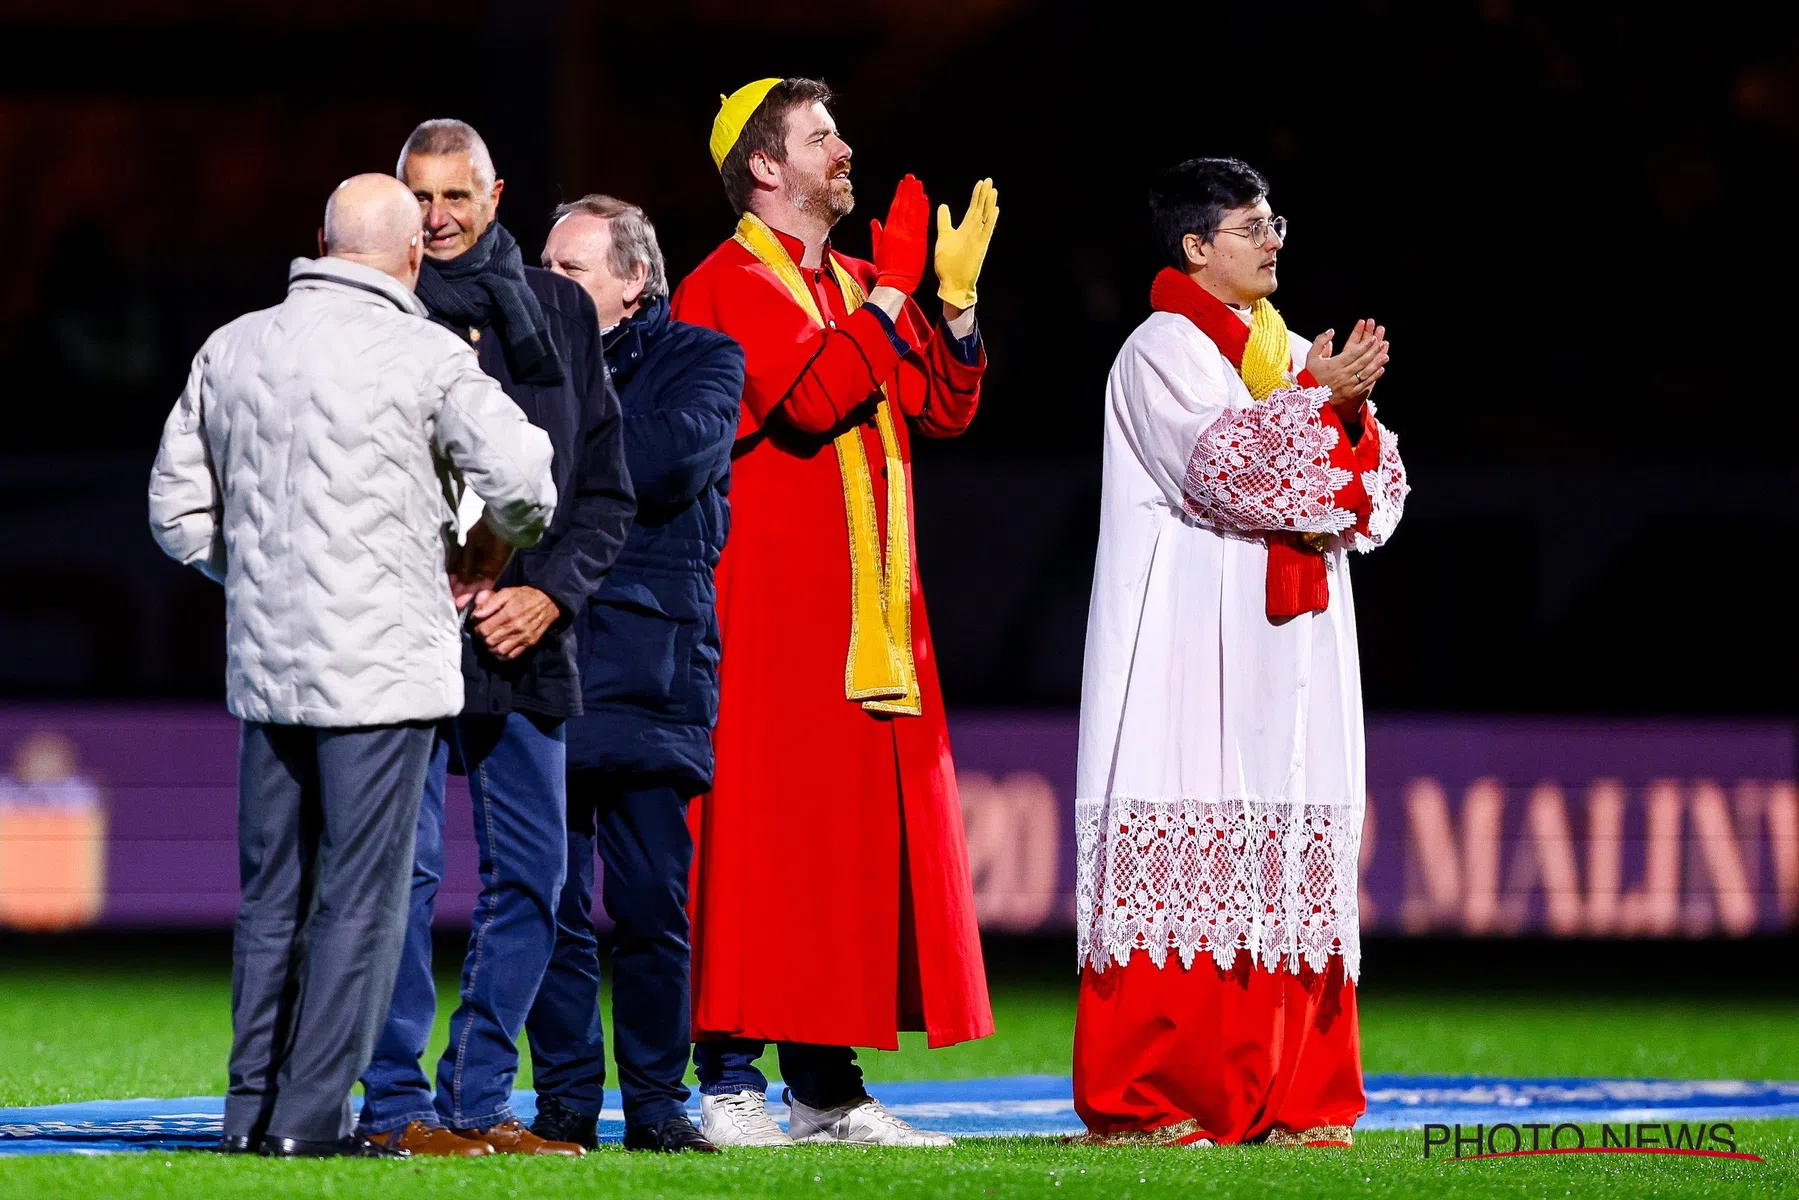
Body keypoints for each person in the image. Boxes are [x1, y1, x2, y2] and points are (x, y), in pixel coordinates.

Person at [148, 174, 557, 1159]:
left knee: (273, 899)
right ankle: (312, 1123)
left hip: (269, 669)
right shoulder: (424, 356)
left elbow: (175, 514)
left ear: (316, 242)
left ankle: (251, 1115)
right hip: (382, 673)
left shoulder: (231, 346)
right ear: (414, 256)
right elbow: (526, 478)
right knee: (361, 904)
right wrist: (490, 549)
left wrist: (262, 575)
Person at [669, 77, 999, 1148]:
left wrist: (949, 309)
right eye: (821, 137)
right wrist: (894, 301)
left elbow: (941, 408)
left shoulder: (863, 282)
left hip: (870, 618)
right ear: (766, 168)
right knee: (753, 845)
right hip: (767, 616)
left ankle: (826, 1087)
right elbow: (809, 399)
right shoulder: (724, 285)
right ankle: (726, 1079)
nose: (845, 149)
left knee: (843, 858)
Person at [1071, 157, 1409, 1148]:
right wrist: (1319, 405)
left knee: (1282, 849)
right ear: (1194, 247)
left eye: (1275, 225)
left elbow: (1377, 489)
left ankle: (1294, 1093)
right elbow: (1216, 470)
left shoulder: (1289, 350)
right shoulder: (1158, 352)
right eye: (1249, 226)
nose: (1271, 242)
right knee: (1185, 840)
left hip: (1291, 646)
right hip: (1186, 639)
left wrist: (1339, 410)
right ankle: (1145, 1098)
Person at [356, 121, 636, 1158]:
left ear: (494, 194)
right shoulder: (379, 313)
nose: (435, 220)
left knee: (534, 877)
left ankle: (473, 1103)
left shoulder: (558, 313)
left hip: (527, 640)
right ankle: (393, 1112)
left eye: (455, 198)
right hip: (407, 641)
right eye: (418, 198)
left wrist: (548, 596)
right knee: (406, 878)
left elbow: (601, 489)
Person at [521, 195, 745, 1154]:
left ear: (633, 281)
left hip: (652, 666)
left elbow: (660, 465)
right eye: (545, 267)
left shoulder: (702, 358)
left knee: (653, 905)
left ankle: (657, 1105)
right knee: (548, 904)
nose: (549, 284)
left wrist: (548, 432)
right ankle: (566, 1103)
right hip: (539, 656)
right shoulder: (517, 361)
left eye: (572, 270)